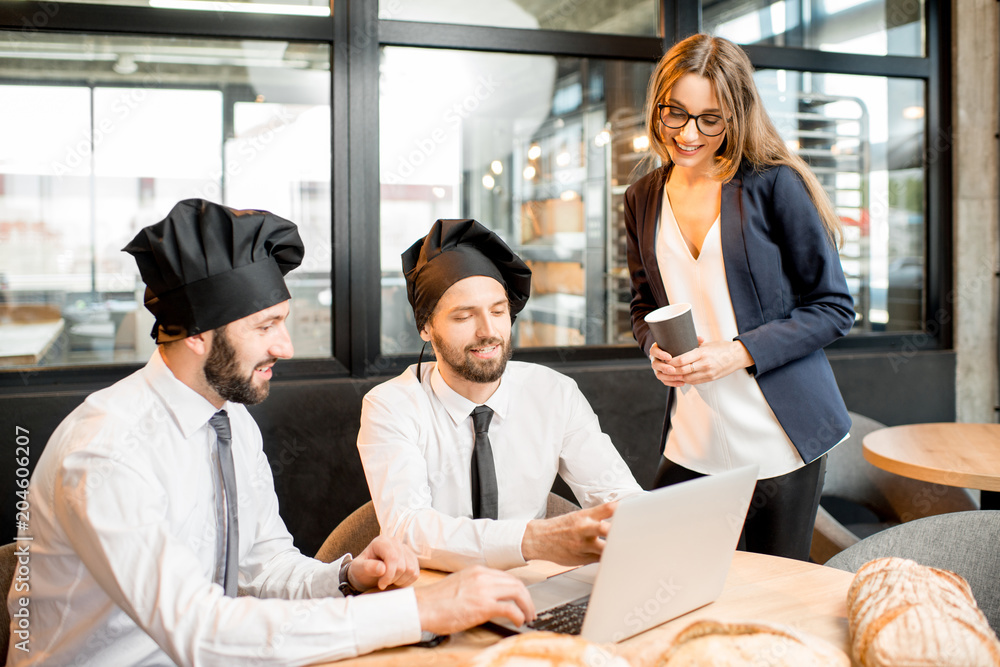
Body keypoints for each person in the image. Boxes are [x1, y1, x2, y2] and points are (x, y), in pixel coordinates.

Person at [7, 200, 533, 667]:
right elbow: (200, 633)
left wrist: (345, 579)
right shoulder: (106, 453)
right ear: (195, 334)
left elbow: (264, 568)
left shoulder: (229, 417)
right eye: (264, 327)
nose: (284, 346)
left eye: (283, 322)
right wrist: (419, 608)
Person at [624, 34, 855, 560]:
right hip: (693, 431)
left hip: (778, 432)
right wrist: (651, 347)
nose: (687, 133)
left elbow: (834, 308)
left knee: (772, 592)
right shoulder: (642, 197)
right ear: (657, 104)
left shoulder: (774, 185)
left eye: (710, 118)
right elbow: (643, 304)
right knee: (660, 575)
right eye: (675, 113)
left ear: (736, 114)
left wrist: (737, 351)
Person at [357, 219, 644, 573]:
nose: (489, 332)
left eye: (498, 311)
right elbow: (407, 529)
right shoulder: (391, 406)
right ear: (426, 327)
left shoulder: (555, 394)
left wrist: (640, 527)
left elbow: (620, 498)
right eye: (464, 316)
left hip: (532, 587)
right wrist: (533, 540)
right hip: (437, 592)